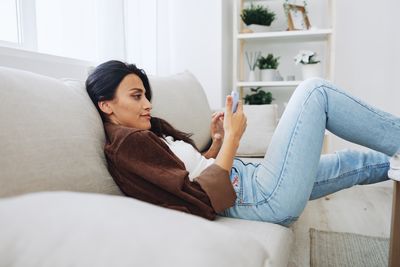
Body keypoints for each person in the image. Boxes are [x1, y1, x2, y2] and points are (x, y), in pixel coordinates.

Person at [86, 60, 400, 227]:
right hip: (258, 197)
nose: (147, 105)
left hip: (253, 181)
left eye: (146, 96)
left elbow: (188, 171)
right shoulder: (126, 145)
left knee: (351, 164)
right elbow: (198, 198)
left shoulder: (142, 135)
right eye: (136, 96)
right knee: (315, 92)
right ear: (106, 105)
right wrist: (234, 139)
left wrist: (218, 141)